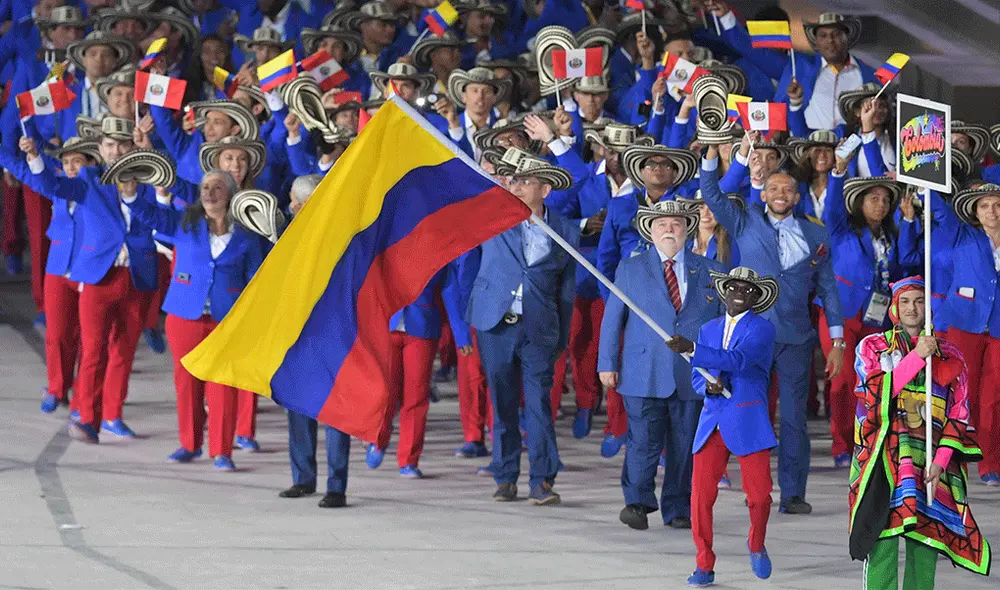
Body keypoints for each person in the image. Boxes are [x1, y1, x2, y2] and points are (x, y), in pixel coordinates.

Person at [701, 138, 845, 515]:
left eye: (788, 190)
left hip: (796, 337)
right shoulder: (743, 219)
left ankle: (794, 493)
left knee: (795, 419)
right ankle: (756, 488)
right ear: (764, 193)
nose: (781, 194)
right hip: (752, 337)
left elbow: (828, 288)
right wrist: (717, 155)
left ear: (797, 198)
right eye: (774, 188)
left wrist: (838, 340)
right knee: (752, 412)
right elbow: (712, 193)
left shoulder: (816, 234)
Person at [849, 277, 992, 587]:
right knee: (883, 543)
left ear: (928, 307)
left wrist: (941, 460)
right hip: (883, 462)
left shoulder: (950, 353)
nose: (912, 308)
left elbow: (959, 411)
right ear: (894, 309)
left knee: (925, 546)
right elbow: (873, 396)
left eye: (918, 301)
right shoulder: (872, 346)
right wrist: (917, 357)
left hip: (930, 465)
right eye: (905, 301)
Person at [124, 171, 264, 471]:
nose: (209, 192)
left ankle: (222, 450)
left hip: (226, 321)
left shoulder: (247, 234)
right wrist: (131, 194)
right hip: (185, 314)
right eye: (204, 187)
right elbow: (151, 216)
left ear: (229, 193)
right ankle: (189, 444)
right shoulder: (185, 221)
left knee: (222, 384)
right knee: (186, 381)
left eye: (216, 187)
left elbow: (255, 279)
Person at [598, 199, 723, 531]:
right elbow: (612, 320)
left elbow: (723, 325)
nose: (670, 230)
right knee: (643, 441)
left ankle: (678, 506)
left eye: (677, 224)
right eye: (662, 224)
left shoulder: (711, 271)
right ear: (650, 232)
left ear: (687, 230)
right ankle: (637, 503)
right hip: (643, 371)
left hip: (692, 374)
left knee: (684, 445)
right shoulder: (630, 268)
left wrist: (720, 370)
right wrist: (606, 362)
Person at [467, 156, 577, 505]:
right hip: (496, 324)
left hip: (539, 328)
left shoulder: (565, 229)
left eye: (524, 182)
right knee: (503, 403)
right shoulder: (492, 217)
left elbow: (567, 289)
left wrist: (560, 336)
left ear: (544, 190)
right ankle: (505, 476)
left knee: (540, 406)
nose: (515, 186)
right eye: (513, 180)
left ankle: (543, 481)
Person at [666, 267, 779, 587]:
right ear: (723, 291)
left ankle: (756, 544)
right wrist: (706, 387)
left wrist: (691, 349)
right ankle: (704, 562)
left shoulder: (763, 329)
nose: (739, 291)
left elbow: (739, 360)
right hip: (712, 418)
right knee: (699, 498)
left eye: (747, 288)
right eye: (733, 286)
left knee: (759, 497)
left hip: (747, 417)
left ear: (757, 297)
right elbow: (697, 374)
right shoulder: (708, 328)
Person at [930, 183, 1000, 485]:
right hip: (964, 322)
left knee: (993, 397)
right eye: (984, 206)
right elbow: (939, 213)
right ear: (974, 211)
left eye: (997, 205)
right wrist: (924, 182)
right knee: (963, 395)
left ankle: (990, 463)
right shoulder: (961, 234)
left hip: (997, 327)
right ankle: (954, 460)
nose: (992, 212)